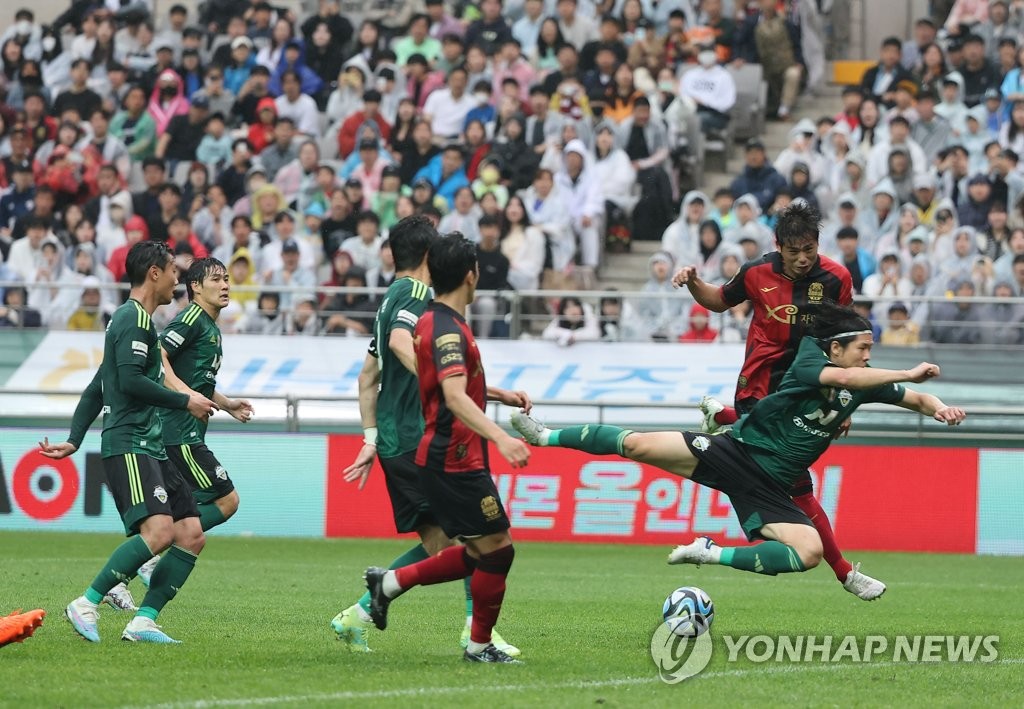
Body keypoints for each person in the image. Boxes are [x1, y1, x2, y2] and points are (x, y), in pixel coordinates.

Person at [511, 301, 966, 581]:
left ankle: (711, 553)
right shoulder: (811, 359)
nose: (870, 356)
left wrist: (939, 406)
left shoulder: (864, 381)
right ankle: (545, 434)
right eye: (864, 347)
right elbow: (847, 376)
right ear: (837, 348)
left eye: (871, 349)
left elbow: (916, 398)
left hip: (772, 487)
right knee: (638, 446)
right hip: (737, 451)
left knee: (807, 552)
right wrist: (906, 371)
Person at [672, 202, 886, 601]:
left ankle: (723, 415)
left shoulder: (836, 277)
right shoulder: (756, 272)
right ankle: (844, 573)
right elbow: (719, 300)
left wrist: (840, 402)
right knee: (800, 488)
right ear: (778, 245)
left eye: (809, 249)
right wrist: (692, 282)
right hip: (761, 381)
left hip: (808, 387)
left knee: (799, 485)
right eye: (794, 251)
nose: (803, 259)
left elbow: (843, 340)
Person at [332, 217, 521, 657]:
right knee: (477, 543)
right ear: (428, 255)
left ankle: (361, 611)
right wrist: (445, 388)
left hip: (398, 440)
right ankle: (478, 635)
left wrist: (370, 438)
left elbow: (366, 376)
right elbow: (404, 344)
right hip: (421, 437)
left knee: (448, 545)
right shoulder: (417, 293)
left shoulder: (388, 299)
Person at [39, 241, 218, 644]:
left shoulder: (140, 322)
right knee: (157, 533)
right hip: (130, 443)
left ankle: (144, 620)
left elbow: (96, 386)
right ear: (154, 273)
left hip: (151, 444)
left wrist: (73, 439)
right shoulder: (132, 319)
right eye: (174, 270)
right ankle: (86, 602)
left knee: (190, 533)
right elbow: (131, 382)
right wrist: (184, 399)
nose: (179, 278)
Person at [127, 258, 255, 588]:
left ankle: (121, 578)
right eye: (216, 279)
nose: (225, 285)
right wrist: (186, 397)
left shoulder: (210, 326)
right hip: (177, 433)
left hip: (184, 431)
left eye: (227, 279)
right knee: (227, 501)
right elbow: (159, 356)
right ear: (195, 286)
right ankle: (148, 561)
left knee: (170, 518)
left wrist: (226, 405)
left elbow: (198, 378)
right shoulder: (193, 318)